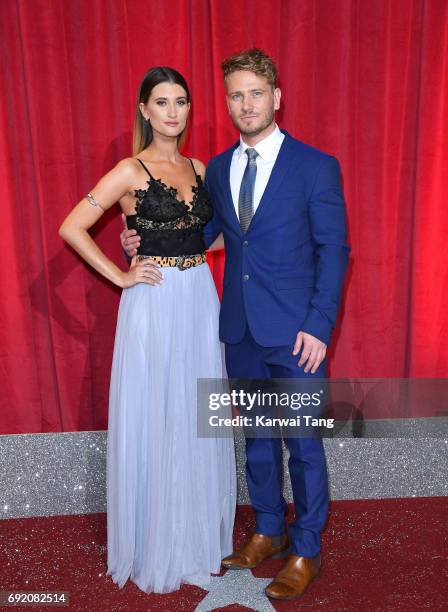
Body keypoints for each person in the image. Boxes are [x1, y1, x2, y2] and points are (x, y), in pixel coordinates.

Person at [122, 49, 350, 602]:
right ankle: (268, 530)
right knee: (258, 443)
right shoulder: (218, 168)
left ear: (276, 97)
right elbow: (206, 236)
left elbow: (334, 249)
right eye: (235, 95)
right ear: (225, 103)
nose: (245, 104)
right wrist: (143, 243)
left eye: (255, 93)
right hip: (238, 330)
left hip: (299, 336)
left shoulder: (315, 165)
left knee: (303, 445)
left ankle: (306, 548)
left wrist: (319, 325)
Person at [59, 66, 236, 594]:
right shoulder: (128, 170)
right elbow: (72, 226)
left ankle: (193, 536)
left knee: (194, 411)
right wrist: (121, 273)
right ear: (144, 110)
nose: (173, 111)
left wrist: (186, 248)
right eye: (162, 102)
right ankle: (156, 541)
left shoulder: (200, 167)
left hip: (200, 298)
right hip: (153, 302)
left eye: (181, 101)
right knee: (157, 410)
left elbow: (214, 238)